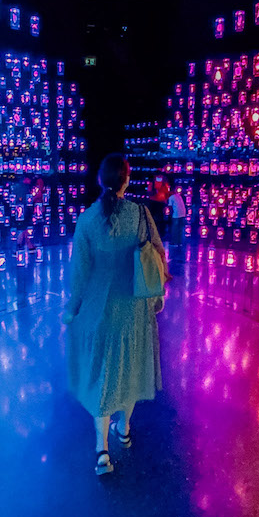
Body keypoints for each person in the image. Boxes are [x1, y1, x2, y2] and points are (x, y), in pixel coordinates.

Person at [63, 154, 169, 476]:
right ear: (127, 180)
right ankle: (124, 430)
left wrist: (72, 309)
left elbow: (80, 274)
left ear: (100, 179)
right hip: (134, 308)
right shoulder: (140, 214)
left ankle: (102, 452)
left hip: (99, 313)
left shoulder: (87, 220)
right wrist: (158, 294)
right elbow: (158, 255)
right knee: (130, 369)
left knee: (103, 376)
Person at [167, 185, 186, 257]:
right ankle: (179, 242)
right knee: (180, 229)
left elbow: (170, 207)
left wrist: (169, 215)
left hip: (176, 215)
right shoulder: (178, 196)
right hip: (182, 214)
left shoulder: (171, 197)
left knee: (175, 229)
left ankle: (174, 242)